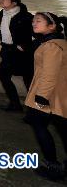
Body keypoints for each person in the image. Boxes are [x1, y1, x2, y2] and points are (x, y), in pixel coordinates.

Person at [24, 12, 67, 180]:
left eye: (39, 21)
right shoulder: (57, 42)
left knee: (39, 125)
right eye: (34, 20)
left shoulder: (51, 46)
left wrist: (41, 97)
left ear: (52, 26)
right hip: (58, 95)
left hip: (48, 97)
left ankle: (53, 166)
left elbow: (49, 74)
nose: (34, 23)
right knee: (62, 128)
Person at [0, 0, 34, 111]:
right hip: (7, 50)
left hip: (21, 53)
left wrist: (24, 46)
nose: (1, 0)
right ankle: (15, 104)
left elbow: (34, 33)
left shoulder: (26, 16)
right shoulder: (3, 13)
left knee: (28, 80)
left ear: (14, 3)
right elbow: (4, 27)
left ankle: (34, 110)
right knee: (3, 76)